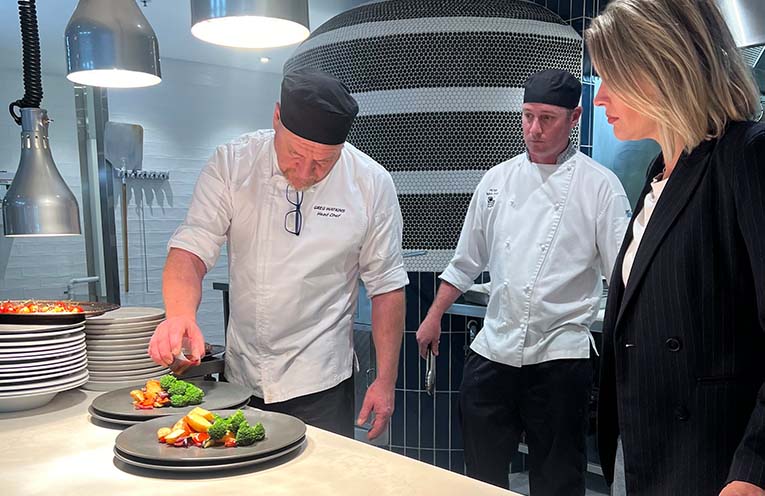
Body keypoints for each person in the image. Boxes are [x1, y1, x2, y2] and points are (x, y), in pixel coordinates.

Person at [148, 69, 408, 440]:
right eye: (295, 154)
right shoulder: (233, 163)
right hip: (243, 377)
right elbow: (191, 249)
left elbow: (387, 288)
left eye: (323, 163)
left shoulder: (371, 183)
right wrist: (179, 316)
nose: (305, 171)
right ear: (275, 118)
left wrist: (385, 381)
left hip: (322, 382)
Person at [416, 69, 631, 495]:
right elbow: (466, 261)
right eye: (528, 116)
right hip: (494, 350)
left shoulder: (601, 187)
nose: (534, 129)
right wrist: (433, 315)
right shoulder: (496, 180)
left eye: (547, 118)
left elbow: (624, 275)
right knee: (481, 475)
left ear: (574, 118)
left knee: (557, 480)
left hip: (559, 357)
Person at [585, 1, 765, 494]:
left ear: (663, 67)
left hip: (714, 464)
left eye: (612, 77)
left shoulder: (746, 155)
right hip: (645, 450)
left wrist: (754, 469)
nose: (599, 97)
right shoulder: (658, 173)